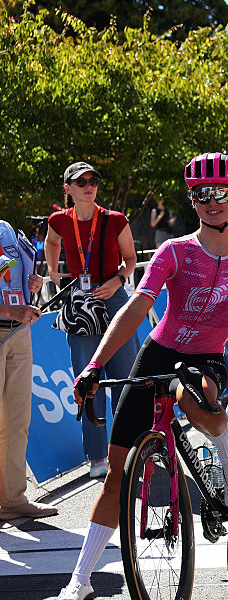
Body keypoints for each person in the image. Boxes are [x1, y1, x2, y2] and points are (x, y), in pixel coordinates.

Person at [53, 152, 228, 600]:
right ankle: (79, 582)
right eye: (203, 194)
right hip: (157, 353)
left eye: (221, 193)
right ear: (193, 200)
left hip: (206, 357)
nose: (213, 202)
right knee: (115, 477)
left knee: (197, 395)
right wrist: (95, 366)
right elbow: (136, 308)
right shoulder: (175, 251)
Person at [45, 162, 140, 479]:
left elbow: (131, 260)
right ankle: (97, 457)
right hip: (79, 302)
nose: (89, 185)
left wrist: (117, 281)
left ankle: (133, 450)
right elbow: (51, 242)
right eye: (81, 181)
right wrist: (55, 273)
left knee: (126, 378)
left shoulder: (115, 220)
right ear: (68, 188)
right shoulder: (59, 220)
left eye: (94, 180)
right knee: (88, 382)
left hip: (113, 298)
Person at [0, 220, 54, 521]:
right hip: (12, 322)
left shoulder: (6, 229)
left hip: (19, 332)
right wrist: (12, 311)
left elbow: (13, 279)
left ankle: (12, 498)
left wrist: (29, 285)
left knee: (17, 420)